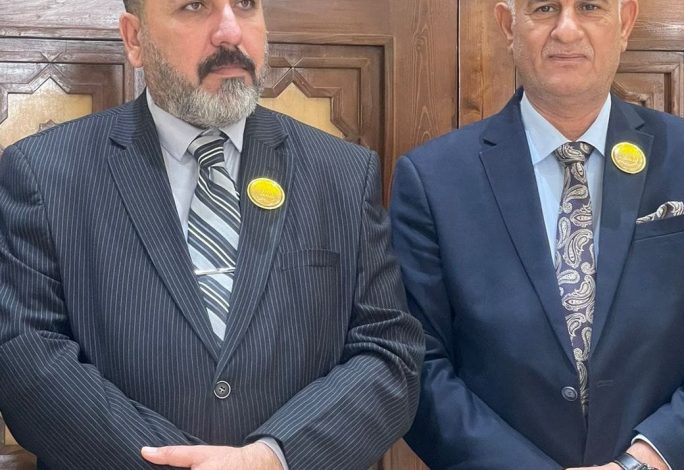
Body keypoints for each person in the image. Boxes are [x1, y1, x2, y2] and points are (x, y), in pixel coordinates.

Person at [0, 0, 423, 469]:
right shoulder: (45, 173)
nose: (230, 32)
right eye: (194, 5)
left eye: (245, 4)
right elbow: (26, 357)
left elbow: (389, 353)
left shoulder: (343, 173)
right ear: (135, 39)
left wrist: (273, 457)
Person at [390, 0, 684, 469]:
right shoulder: (433, 179)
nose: (567, 29)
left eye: (590, 6)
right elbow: (418, 362)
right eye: (545, 8)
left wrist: (642, 462)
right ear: (508, 25)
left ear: (625, 22)